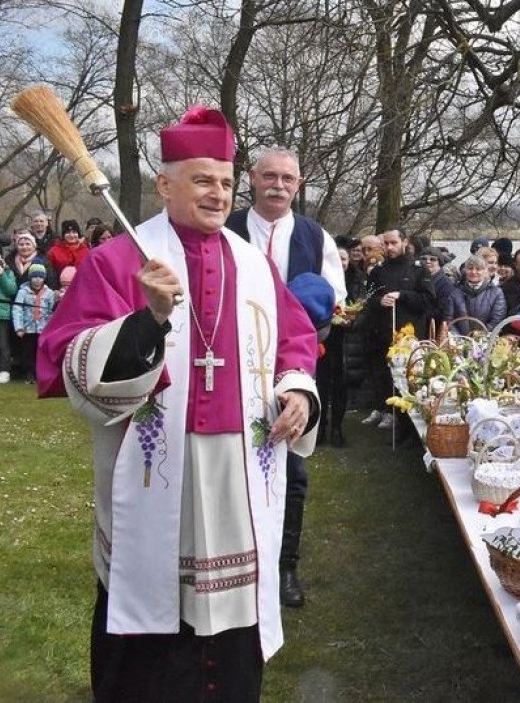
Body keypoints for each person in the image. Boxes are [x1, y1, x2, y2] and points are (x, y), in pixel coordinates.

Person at [37, 107, 319, 701]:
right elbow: (66, 358)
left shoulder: (254, 262)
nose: (218, 194)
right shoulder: (117, 259)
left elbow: (295, 339)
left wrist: (297, 389)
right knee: (152, 605)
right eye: (201, 180)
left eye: (224, 181)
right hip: (160, 470)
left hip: (239, 472)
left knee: (232, 614)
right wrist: (149, 320)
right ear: (165, 184)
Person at [225, 147, 346, 609]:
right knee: (230, 464)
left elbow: (334, 298)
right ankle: (234, 564)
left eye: (288, 179)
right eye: (269, 176)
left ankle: (284, 567)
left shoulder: (316, 237)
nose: (278, 185)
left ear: (299, 183)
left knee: (291, 469)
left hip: (292, 366)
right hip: (231, 361)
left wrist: (311, 315)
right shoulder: (227, 227)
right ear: (252, 179)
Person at [364, 227, 435, 429]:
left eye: (394, 243)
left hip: (410, 336)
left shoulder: (419, 270)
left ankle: (410, 424)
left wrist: (403, 296)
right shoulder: (378, 271)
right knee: (384, 376)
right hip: (384, 332)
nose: (389, 247)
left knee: (411, 379)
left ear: (405, 241)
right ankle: (388, 411)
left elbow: (428, 300)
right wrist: (380, 301)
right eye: (386, 244)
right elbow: (369, 299)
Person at [13, 263, 55, 382]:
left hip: (43, 328)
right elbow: (17, 309)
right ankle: (28, 373)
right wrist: (19, 327)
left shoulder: (49, 293)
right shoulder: (23, 292)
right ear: (30, 277)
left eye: (40, 277)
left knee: (40, 352)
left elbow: (51, 311)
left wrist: (51, 328)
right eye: (34, 277)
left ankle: (40, 373)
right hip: (28, 328)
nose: (37, 280)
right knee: (28, 352)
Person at [451, 254, 506, 334]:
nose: (474, 272)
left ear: (485, 271)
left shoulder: (496, 292)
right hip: (459, 341)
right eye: (470, 268)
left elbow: (497, 319)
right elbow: (449, 318)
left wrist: (480, 336)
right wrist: (458, 339)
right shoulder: (455, 292)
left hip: (486, 340)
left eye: (478, 269)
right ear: (465, 270)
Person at [0, 244, 17, 383]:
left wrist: (1, 275)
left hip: (2, 313)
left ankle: (5, 370)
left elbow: (11, 290)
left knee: (3, 343)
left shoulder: (7, 272)